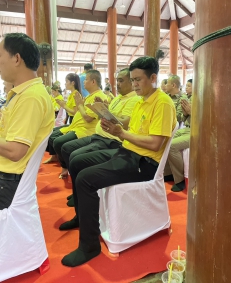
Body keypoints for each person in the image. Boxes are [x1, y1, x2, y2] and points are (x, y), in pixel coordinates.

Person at [59, 56, 176, 267]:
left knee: (85, 178)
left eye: (138, 80)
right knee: (76, 163)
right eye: (133, 80)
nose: (135, 84)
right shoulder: (142, 101)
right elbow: (129, 125)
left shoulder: (163, 103)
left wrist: (121, 134)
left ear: (153, 78)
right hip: (127, 152)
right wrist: (110, 120)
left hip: (144, 163)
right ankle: (81, 216)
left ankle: (90, 245)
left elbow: (155, 144)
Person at [60, 68, 140, 206]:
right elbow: (110, 113)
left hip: (110, 140)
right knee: (68, 151)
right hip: (98, 135)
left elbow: (123, 123)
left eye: (121, 81)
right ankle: (77, 194)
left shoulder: (134, 99)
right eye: (117, 81)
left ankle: (80, 195)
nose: (117, 84)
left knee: (74, 157)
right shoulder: (117, 98)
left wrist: (81, 105)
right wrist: (102, 107)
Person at [0, 33, 54, 210]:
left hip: (7, 178)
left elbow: (15, 152)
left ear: (16, 58)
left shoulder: (30, 97)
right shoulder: (22, 94)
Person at [45, 70, 107, 178]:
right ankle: (64, 164)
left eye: (86, 79)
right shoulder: (90, 96)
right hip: (76, 125)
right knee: (52, 135)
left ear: (93, 82)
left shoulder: (99, 97)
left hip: (85, 130)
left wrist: (79, 105)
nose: (84, 82)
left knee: (59, 142)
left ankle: (67, 167)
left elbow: (87, 118)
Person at [165, 78, 193, 192]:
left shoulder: (188, 97)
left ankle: (180, 180)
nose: (186, 88)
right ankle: (169, 173)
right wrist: (186, 113)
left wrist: (191, 112)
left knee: (172, 146)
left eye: (189, 86)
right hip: (187, 128)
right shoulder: (190, 98)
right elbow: (184, 117)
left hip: (198, 131)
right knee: (165, 139)